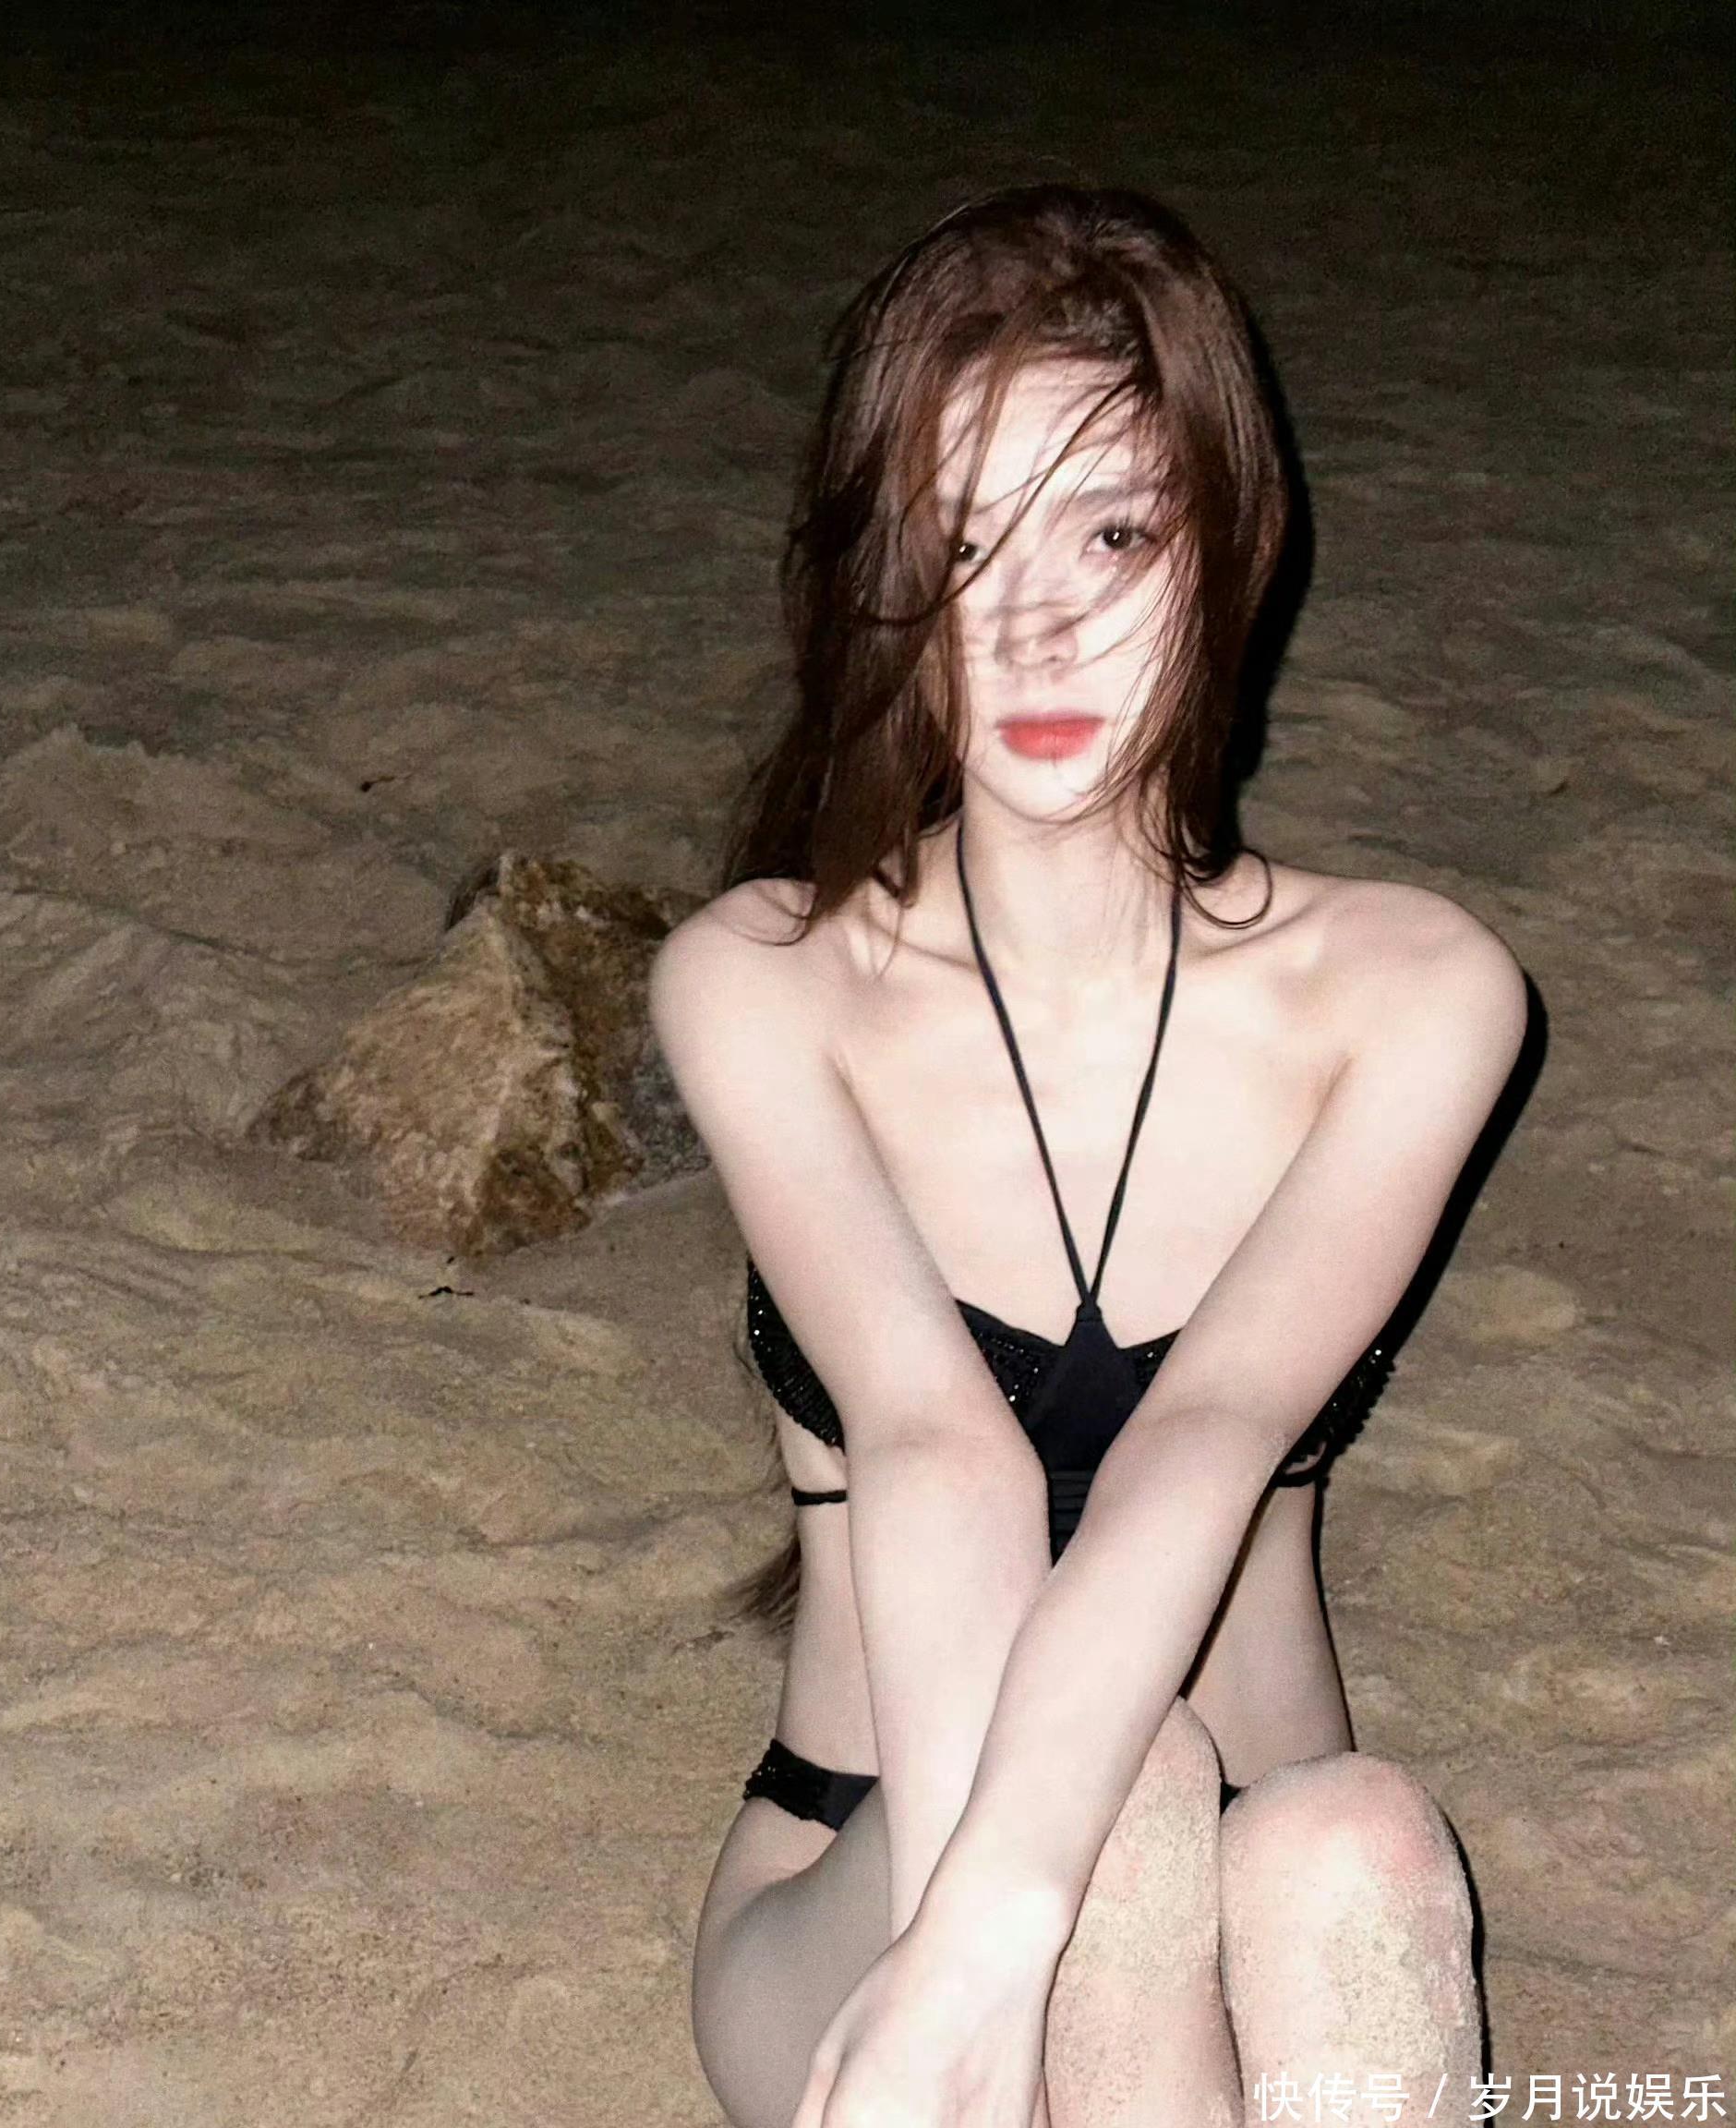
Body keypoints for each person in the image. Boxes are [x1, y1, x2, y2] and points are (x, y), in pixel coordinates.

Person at [649, 185, 1528, 2128]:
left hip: (1262, 1872)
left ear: (1228, 545)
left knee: (1362, 1846)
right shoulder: (767, 983)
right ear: (886, 582)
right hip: (878, 1875)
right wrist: (978, 1931)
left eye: (1114, 533)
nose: (1038, 624)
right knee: (1122, 1810)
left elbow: (1209, 1432)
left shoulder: (1413, 993)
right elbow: (934, 1444)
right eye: (966, 542)